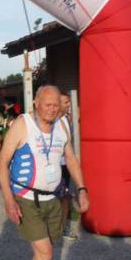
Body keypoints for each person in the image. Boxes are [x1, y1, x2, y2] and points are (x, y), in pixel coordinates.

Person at [0, 85, 89, 260]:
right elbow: (1, 163)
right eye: (48, 105)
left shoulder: (61, 125)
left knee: (43, 252)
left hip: (53, 200)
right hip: (26, 199)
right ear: (36, 103)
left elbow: (71, 159)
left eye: (56, 105)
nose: (52, 109)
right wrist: (9, 200)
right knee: (45, 252)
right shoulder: (23, 124)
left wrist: (82, 188)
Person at [58, 93, 77, 240]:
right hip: (55, 165)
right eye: (65, 102)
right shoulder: (50, 120)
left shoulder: (65, 119)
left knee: (65, 197)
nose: (68, 105)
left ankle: (63, 228)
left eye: (69, 102)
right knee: (54, 198)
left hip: (65, 164)